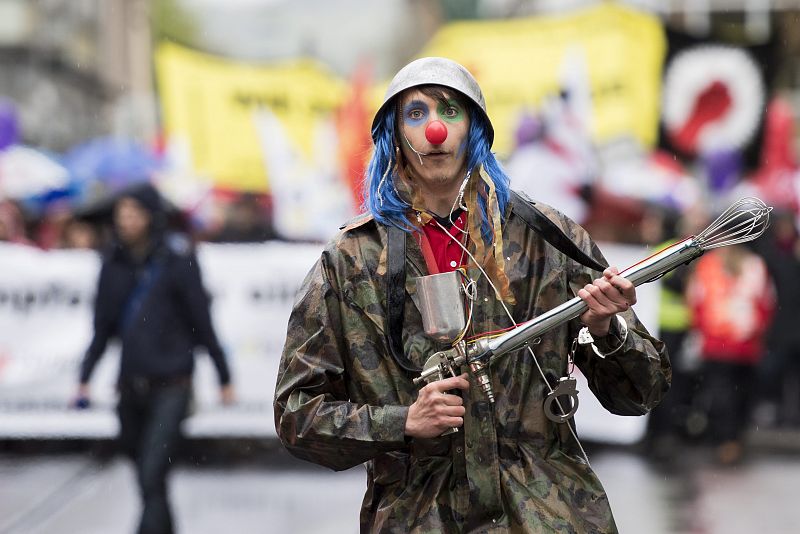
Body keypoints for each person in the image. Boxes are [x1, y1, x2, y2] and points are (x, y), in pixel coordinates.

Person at [274, 57, 670, 532]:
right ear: (394, 134)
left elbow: (641, 393)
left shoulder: (547, 238)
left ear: (474, 129)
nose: (435, 130)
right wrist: (404, 421)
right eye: (416, 114)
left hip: (545, 515)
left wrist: (607, 331)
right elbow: (297, 414)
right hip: (419, 518)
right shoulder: (351, 259)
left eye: (450, 111)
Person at [75, 183, 234, 534]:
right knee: (147, 478)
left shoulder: (177, 260)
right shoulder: (112, 264)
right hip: (130, 386)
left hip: (172, 385)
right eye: (122, 215)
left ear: (150, 216)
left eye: (134, 214)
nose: (126, 221)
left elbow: (202, 321)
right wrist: (85, 376)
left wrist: (223, 375)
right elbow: (102, 327)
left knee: (152, 471)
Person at [686, 244, 775, 465]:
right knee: (740, 394)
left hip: (717, 345)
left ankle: (725, 440)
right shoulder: (755, 265)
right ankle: (733, 439)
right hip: (745, 345)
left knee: (721, 394)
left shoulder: (708, 264)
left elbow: (696, 301)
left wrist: (701, 330)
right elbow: (767, 303)